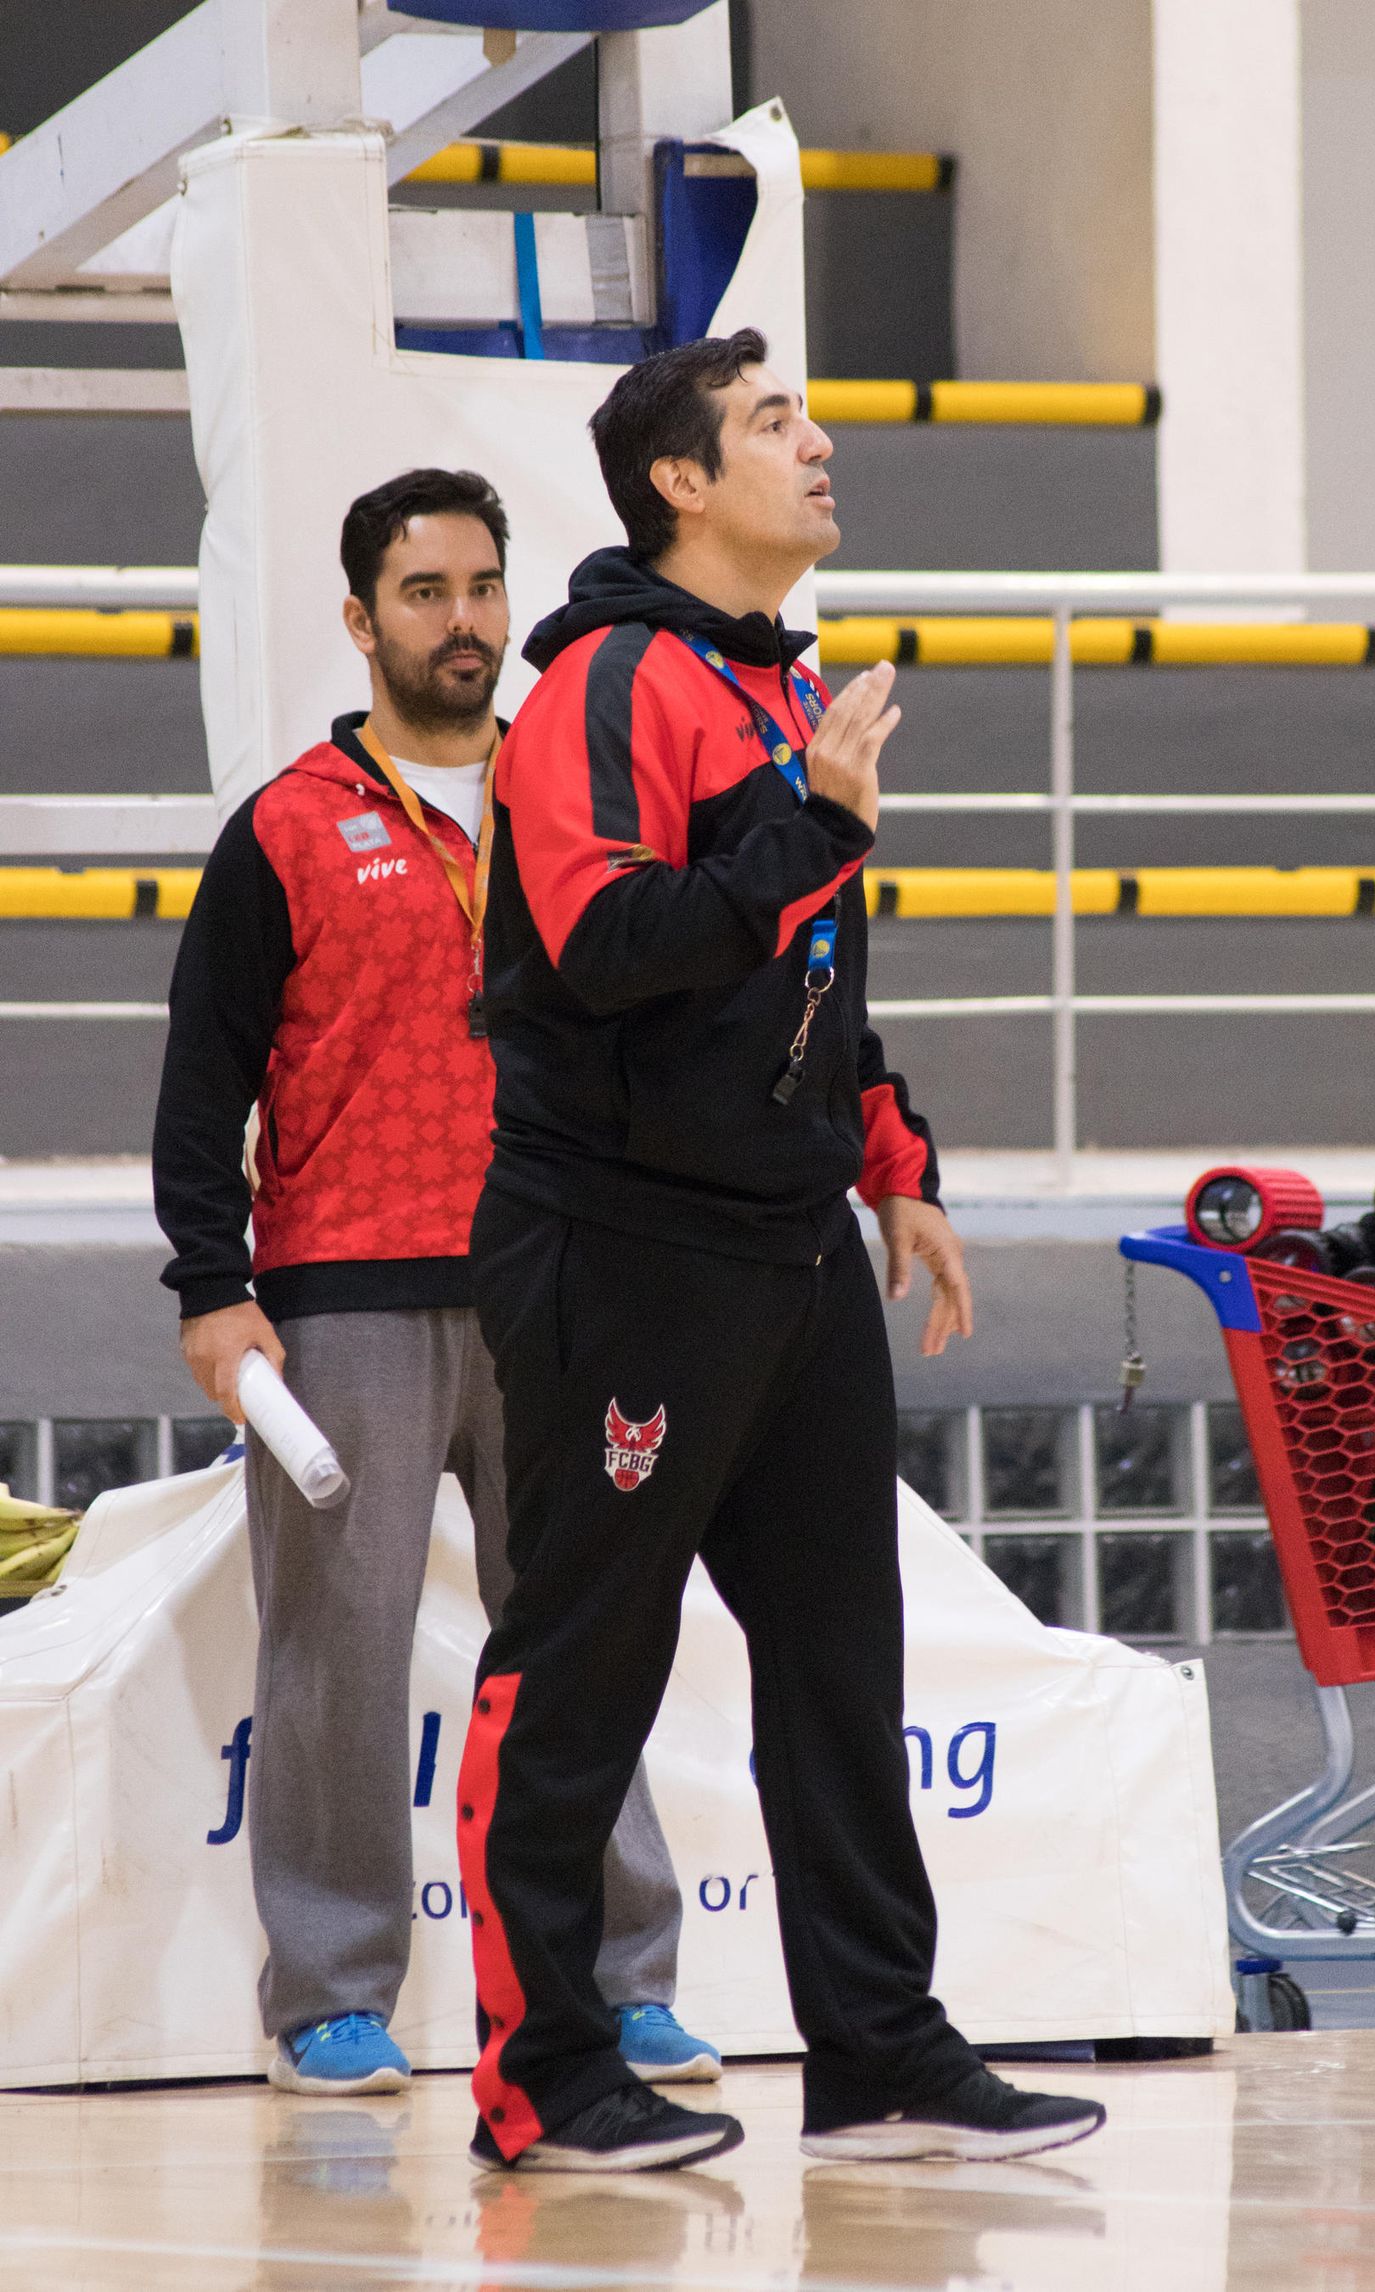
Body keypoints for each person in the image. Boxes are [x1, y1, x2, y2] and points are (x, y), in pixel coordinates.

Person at [458, 333, 1108, 2172]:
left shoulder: (783, 680)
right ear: (679, 482)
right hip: (623, 1245)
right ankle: (544, 2079)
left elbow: (814, 970)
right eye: (771, 424)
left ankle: (880, 2057)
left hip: (793, 1243)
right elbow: (606, 942)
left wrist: (893, 1162)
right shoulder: (604, 683)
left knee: (840, 1666)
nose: (817, 443)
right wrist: (808, 820)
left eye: (808, 414)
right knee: (580, 1663)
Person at [152, 468, 713, 2096]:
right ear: (360, 618)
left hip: (564, 1283)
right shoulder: (285, 826)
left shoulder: (574, 803)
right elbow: (202, 1079)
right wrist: (211, 1283)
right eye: (423, 591)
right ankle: (330, 1995)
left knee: (584, 1640)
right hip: (343, 1291)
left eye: (481, 586)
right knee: (339, 1652)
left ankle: (614, 1987)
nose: (461, 620)